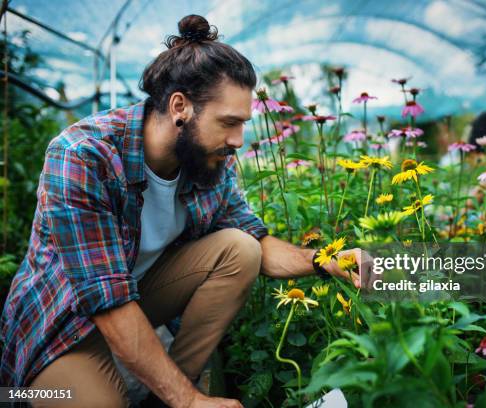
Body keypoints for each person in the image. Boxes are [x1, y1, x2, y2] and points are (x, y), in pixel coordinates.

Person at [0, 15, 368, 408]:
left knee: (240, 248)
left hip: (137, 297)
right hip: (65, 321)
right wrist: (189, 400)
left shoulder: (204, 160)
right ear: (180, 106)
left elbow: (255, 240)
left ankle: (169, 397)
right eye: (229, 123)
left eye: (243, 124)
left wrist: (325, 260)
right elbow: (105, 299)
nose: (239, 141)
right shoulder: (83, 156)